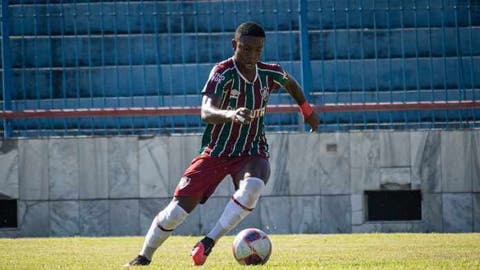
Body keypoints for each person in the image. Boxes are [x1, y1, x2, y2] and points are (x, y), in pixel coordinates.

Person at [125, 21, 320, 267]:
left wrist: (306, 109)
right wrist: (231, 114)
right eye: (246, 49)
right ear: (234, 45)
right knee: (175, 213)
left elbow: (290, 83)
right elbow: (206, 112)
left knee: (252, 187)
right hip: (216, 152)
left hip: (251, 150)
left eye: (258, 50)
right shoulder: (222, 72)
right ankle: (144, 256)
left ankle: (208, 242)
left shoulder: (270, 72)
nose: (251, 56)